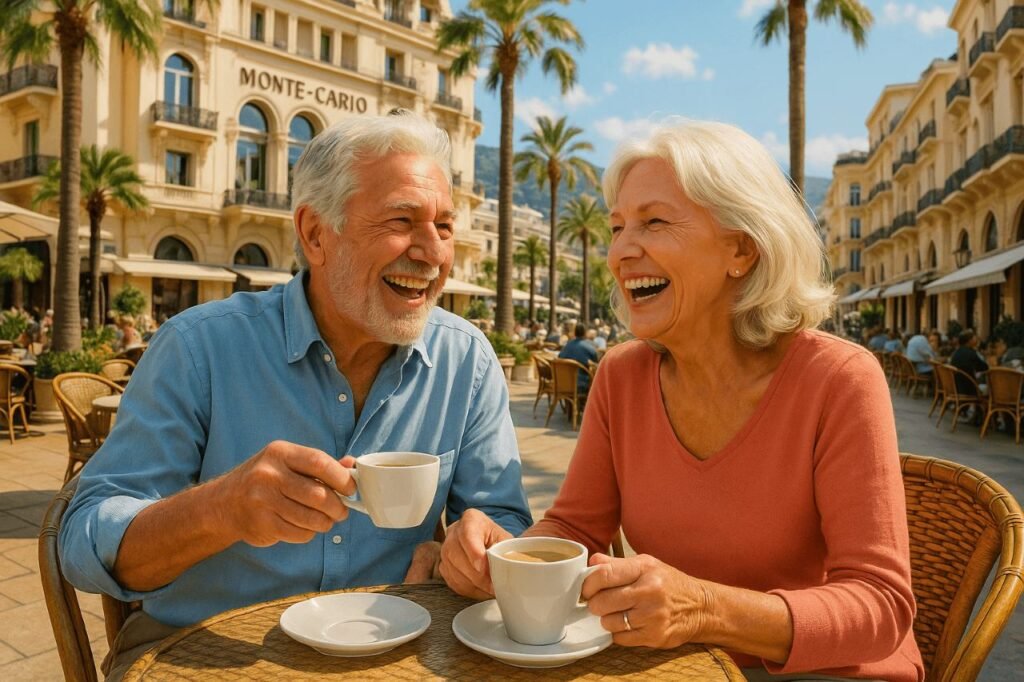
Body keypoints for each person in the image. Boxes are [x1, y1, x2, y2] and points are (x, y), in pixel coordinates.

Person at [440, 120, 923, 681]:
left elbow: (880, 607)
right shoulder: (621, 376)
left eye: (654, 222)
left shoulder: (839, 379)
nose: (620, 251)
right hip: (676, 668)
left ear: (741, 249)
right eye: (618, 227)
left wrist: (704, 609)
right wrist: (501, 555)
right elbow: (574, 530)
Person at [60, 111, 533, 677]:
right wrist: (222, 508)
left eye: (446, 226)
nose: (432, 252)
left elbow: (506, 522)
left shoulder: (467, 361)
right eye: (402, 221)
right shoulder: (198, 348)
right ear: (314, 234)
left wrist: (472, 551)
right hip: (201, 656)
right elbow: (83, 544)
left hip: (392, 654)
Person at [559, 323, 599, 394]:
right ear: (585, 333)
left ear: (575, 333)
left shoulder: (567, 346)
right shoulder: (589, 347)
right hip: (582, 384)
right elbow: (596, 362)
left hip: (564, 382)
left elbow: (559, 358)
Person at [950, 330, 989, 395]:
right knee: (991, 390)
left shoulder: (956, 353)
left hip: (957, 387)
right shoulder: (971, 353)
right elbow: (984, 368)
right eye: (974, 337)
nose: (976, 338)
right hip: (969, 389)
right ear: (969, 340)